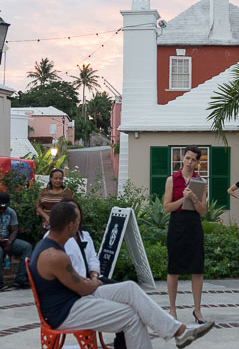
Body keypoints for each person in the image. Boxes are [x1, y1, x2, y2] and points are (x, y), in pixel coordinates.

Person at [29, 201, 214, 349]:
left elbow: (78, 284)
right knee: (131, 316)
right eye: (77, 221)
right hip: (65, 312)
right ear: (70, 225)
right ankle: (178, 332)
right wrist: (95, 282)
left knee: (130, 288)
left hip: (73, 298)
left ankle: (179, 331)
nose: (79, 224)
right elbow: (83, 288)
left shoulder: (50, 246)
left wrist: (92, 281)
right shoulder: (55, 256)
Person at [56, 197, 127, 349]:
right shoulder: (57, 240)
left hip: (94, 280)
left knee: (126, 293)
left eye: (76, 211)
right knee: (124, 309)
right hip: (78, 287)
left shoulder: (84, 235)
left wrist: (94, 276)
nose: (75, 215)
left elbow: (93, 259)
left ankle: (121, 343)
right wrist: (87, 283)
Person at [163, 145, 208, 323]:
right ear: (183, 158)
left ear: (197, 162)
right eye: (187, 158)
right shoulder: (172, 180)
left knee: (197, 269)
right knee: (173, 269)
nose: (189, 162)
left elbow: (202, 211)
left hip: (194, 226)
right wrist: (183, 198)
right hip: (177, 226)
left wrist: (194, 197)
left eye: (193, 160)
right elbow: (167, 207)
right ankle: (172, 310)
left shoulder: (200, 182)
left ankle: (197, 310)